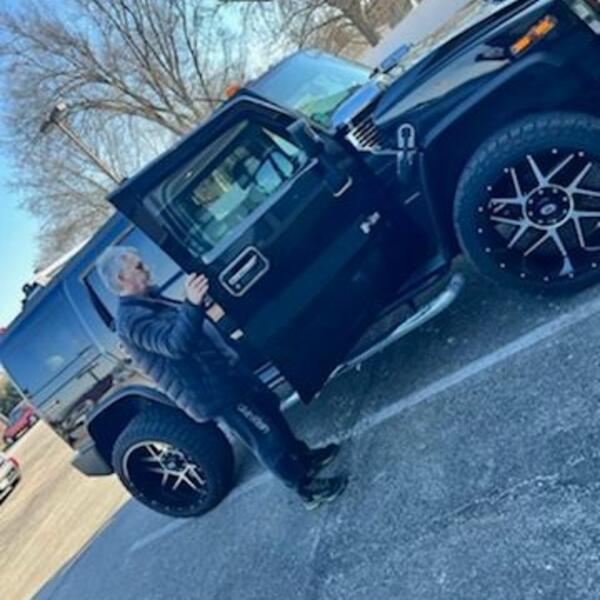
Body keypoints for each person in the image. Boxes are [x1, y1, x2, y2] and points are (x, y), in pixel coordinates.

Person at [96, 245, 347, 510]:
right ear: (121, 279)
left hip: (225, 373)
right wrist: (191, 304)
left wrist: (195, 306)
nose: (146, 268)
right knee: (264, 435)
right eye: (138, 267)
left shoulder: (150, 300)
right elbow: (174, 345)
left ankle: (304, 458)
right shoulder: (131, 321)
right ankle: (304, 488)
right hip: (212, 391)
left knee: (270, 412)